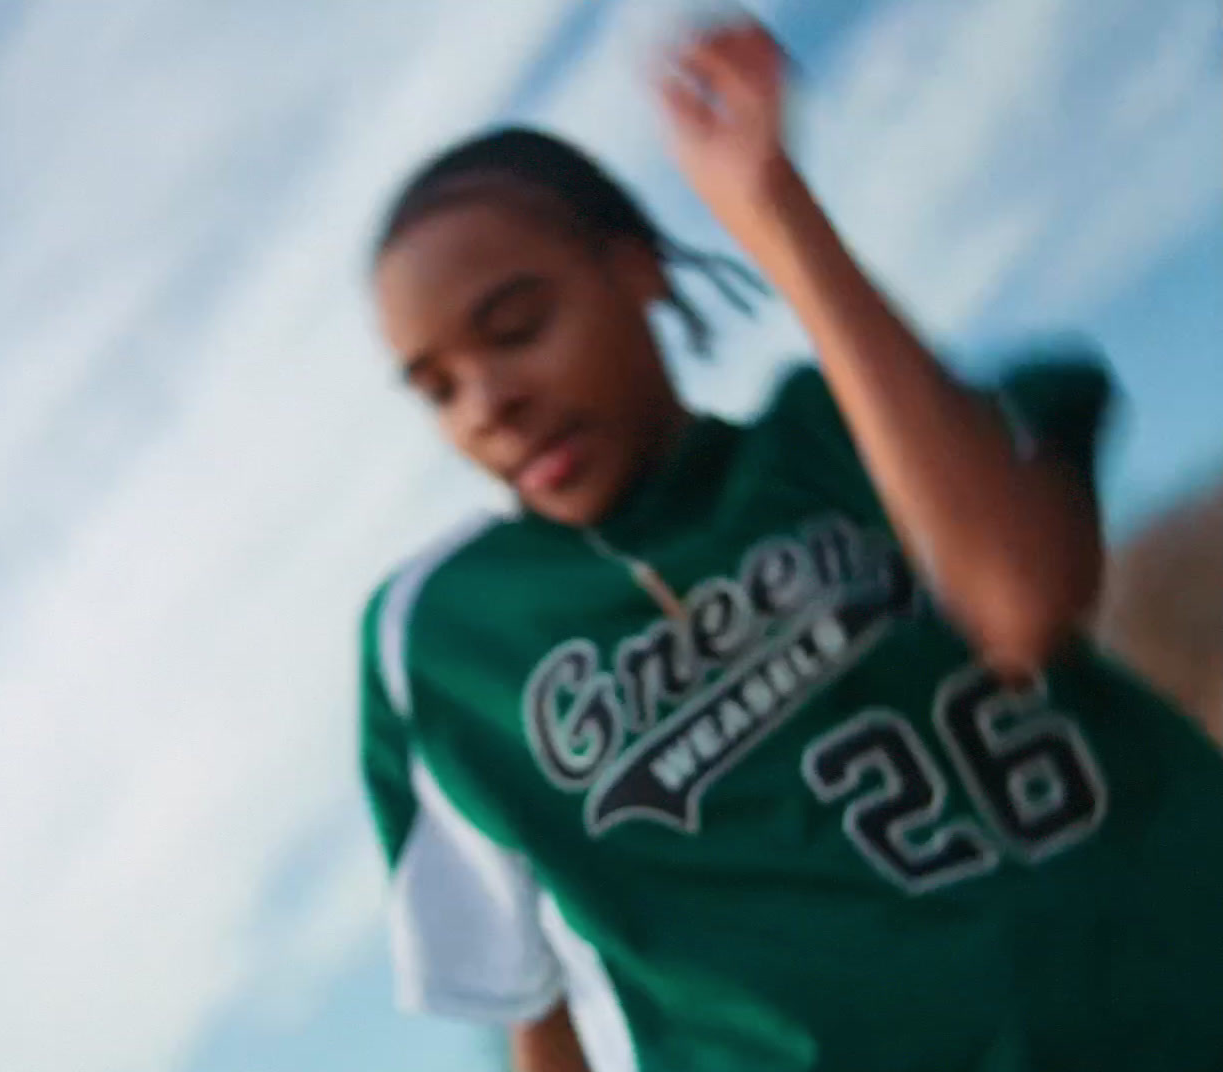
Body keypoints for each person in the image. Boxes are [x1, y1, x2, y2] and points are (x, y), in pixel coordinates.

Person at [357, 21, 1223, 1072]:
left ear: (635, 271)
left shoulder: (850, 432)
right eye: (438, 387)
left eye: (517, 325)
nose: (489, 403)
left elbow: (1020, 601)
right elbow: (533, 1008)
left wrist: (773, 210)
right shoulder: (446, 641)